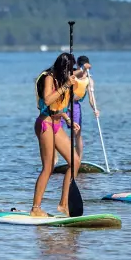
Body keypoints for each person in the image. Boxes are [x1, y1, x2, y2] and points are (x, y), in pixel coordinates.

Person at [31, 52, 80, 217]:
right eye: (69, 69)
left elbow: (58, 106)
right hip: (45, 124)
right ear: (63, 68)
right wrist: (66, 85)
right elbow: (47, 100)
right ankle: (36, 208)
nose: (71, 72)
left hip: (57, 124)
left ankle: (63, 204)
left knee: (75, 161)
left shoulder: (62, 80)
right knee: (48, 167)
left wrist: (67, 119)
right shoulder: (49, 78)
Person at [69, 55, 100, 163]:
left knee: (77, 133)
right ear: (77, 65)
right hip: (63, 105)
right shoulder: (72, 74)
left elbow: (91, 98)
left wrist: (95, 109)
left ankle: (78, 160)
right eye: (81, 66)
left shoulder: (89, 80)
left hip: (75, 105)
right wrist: (83, 68)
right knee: (57, 131)